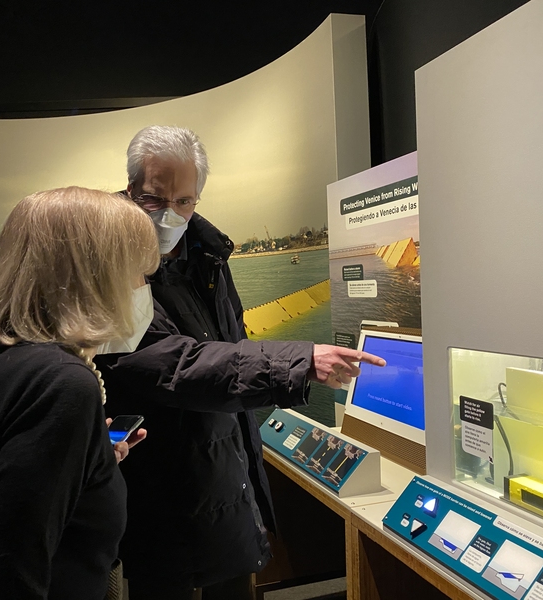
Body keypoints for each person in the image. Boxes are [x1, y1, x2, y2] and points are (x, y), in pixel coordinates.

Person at [97, 126, 386, 600]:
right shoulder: (111, 258)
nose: (171, 213)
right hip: (158, 484)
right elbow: (173, 364)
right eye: (154, 198)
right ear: (131, 190)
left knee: (233, 577)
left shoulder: (209, 253)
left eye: (185, 200)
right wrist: (297, 361)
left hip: (225, 464)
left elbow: (233, 341)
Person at [0, 187, 160, 600]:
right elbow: (13, 572)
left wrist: (90, 463)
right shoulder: (61, 385)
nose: (144, 287)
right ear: (95, 277)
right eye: (139, 273)